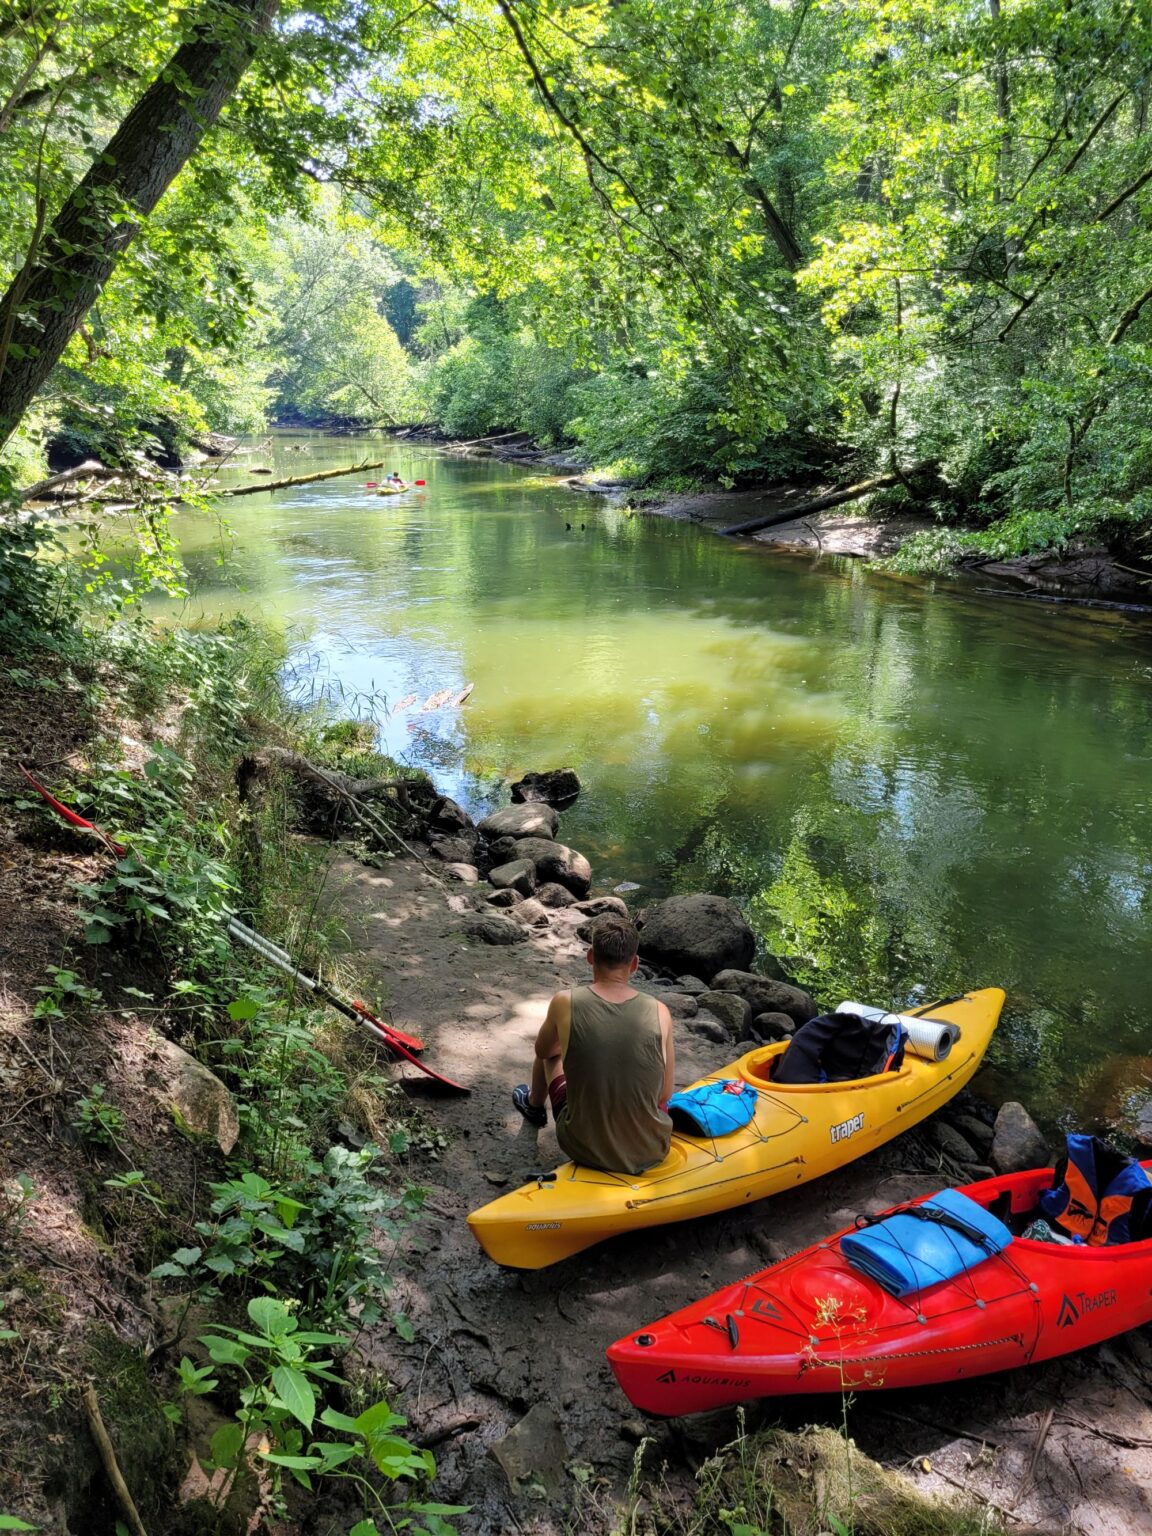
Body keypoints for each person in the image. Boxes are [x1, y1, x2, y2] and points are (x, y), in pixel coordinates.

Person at [512, 914, 675, 1175]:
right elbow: (664, 1095)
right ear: (634, 964)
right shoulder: (660, 1011)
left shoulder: (564, 1001)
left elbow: (542, 1051)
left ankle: (534, 1105)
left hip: (582, 1145)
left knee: (550, 1054)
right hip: (652, 1148)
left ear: (590, 956)